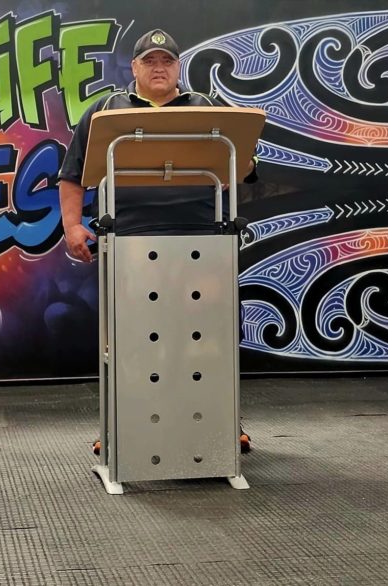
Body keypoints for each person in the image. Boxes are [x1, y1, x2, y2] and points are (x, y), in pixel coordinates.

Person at [58, 28, 256, 454]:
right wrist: (73, 226)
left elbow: (242, 166)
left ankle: (223, 422)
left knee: (208, 334)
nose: (159, 68)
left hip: (202, 234)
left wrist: (244, 150)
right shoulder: (106, 109)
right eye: (150, 61)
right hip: (127, 235)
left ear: (178, 66)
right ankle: (118, 427)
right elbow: (72, 174)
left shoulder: (206, 107)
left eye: (167, 60)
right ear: (134, 68)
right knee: (128, 335)